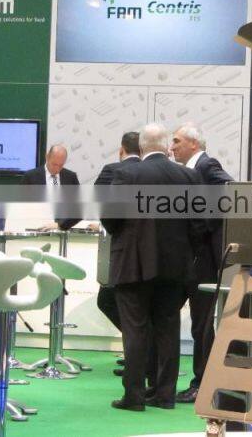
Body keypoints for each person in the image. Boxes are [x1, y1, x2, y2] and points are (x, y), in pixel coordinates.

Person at [101, 123, 204, 411]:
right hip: (175, 266)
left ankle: (134, 396)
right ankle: (164, 394)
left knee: (135, 330)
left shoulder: (126, 174)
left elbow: (110, 218)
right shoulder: (188, 176)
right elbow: (199, 224)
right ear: (166, 145)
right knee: (168, 329)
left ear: (142, 146)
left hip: (133, 263)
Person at [170, 122, 233, 403]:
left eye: (177, 141)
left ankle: (203, 384)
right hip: (193, 258)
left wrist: (201, 227)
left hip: (205, 260)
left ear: (194, 144)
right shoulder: (189, 170)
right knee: (198, 324)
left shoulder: (207, 165)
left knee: (202, 325)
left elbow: (229, 190)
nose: (172, 147)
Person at [93, 131, 141, 377]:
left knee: (110, 301)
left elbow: (103, 206)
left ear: (122, 150)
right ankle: (140, 353)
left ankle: (139, 353)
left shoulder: (113, 170)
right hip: (154, 254)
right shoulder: (158, 172)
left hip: (122, 252)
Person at [21, 145, 81, 230]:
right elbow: (21, 206)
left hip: (63, 228)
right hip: (37, 226)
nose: (57, 169)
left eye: (61, 165)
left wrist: (60, 225)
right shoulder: (30, 177)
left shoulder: (71, 177)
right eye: (54, 164)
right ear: (47, 157)